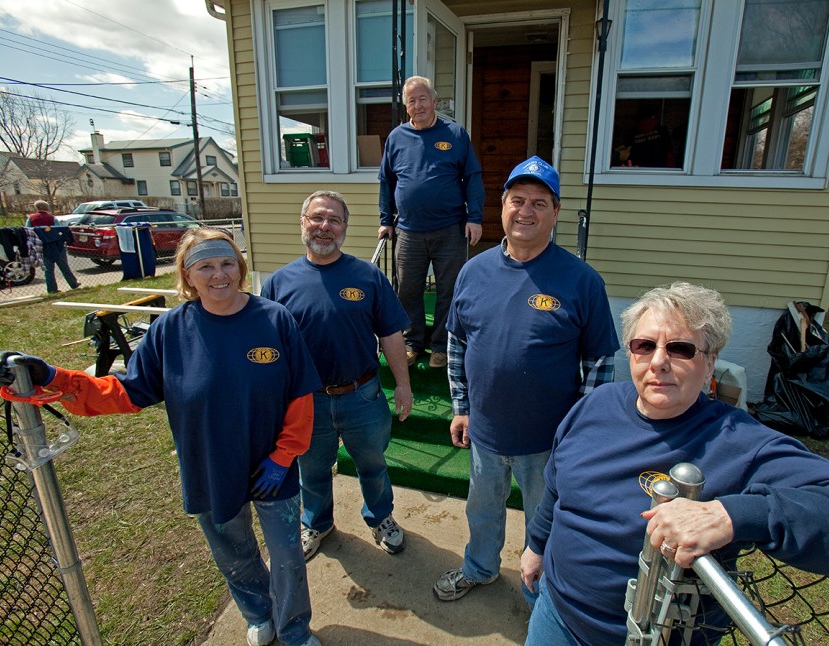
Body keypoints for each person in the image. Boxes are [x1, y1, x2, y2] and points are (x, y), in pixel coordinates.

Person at [520, 282, 829, 645]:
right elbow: (557, 484)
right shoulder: (593, 406)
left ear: (709, 363)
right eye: (645, 345)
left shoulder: (741, 443)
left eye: (680, 349)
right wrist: (536, 545)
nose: (658, 361)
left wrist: (734, 515)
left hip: (652, 638)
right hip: (556, 615)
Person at [0, 228, 322, 646]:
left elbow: (301, 395)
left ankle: (293, 628)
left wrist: (283, 455)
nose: (218, 274)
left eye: (226, 264)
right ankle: (258, 612)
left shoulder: (276, 319)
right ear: (187, 274)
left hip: (274, 466)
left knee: (288, 555)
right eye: (205, 266)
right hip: (209, 463)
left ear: (238, 268)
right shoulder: (169, 330)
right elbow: (128, 391)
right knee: (233, 551)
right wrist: (57, 378)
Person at [433, 156, 621, 604]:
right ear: (502, 206)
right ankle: (479, 568)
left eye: (540, 202)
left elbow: (599, 365)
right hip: (485, 433)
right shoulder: (472, 272)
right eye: (518, 200)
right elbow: (458, 343)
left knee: (547, 522)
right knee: (481, 511)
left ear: (555, 212)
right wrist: (462, 408)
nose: (526, 211)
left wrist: (581, 434)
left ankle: (542, 594)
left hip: (549, 442)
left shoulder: (581, 280)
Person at [262, 190, 413, 560]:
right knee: (311, 470)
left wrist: (403, 386)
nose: (324, 227)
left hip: (363, 395)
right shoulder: (278, 284)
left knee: (373, 465)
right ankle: (317, 522)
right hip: (306, 402)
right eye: (317, 218)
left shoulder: (368, 276)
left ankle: (381, 517)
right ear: (303, 223)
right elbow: (269, 350)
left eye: (334, 220)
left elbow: (391, 333)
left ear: (345, 227)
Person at [378, 75, 485, 369]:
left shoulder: (455, 134)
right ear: (406, 106)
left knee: (448, 289)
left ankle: (441, 345)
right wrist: (385, 220)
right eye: (411, 100)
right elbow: (386, 181)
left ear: (434, 101)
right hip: (408, 230)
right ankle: (412, 342)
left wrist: (474, 218)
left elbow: (472, 177)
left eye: (423, 98)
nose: (418, 105)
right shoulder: (396, 138)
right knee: (407, 289)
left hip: (450, 228)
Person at [28, 199, 79, 293]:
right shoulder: (52, 218)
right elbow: (59, 230)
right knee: (64, 266)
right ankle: (73, 284)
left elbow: (28, 231)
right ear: (47, 208)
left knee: (48, 270)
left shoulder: (31, 219)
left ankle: (52, 289)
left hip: (42, 246)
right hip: (57, 246)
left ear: (36, 208)